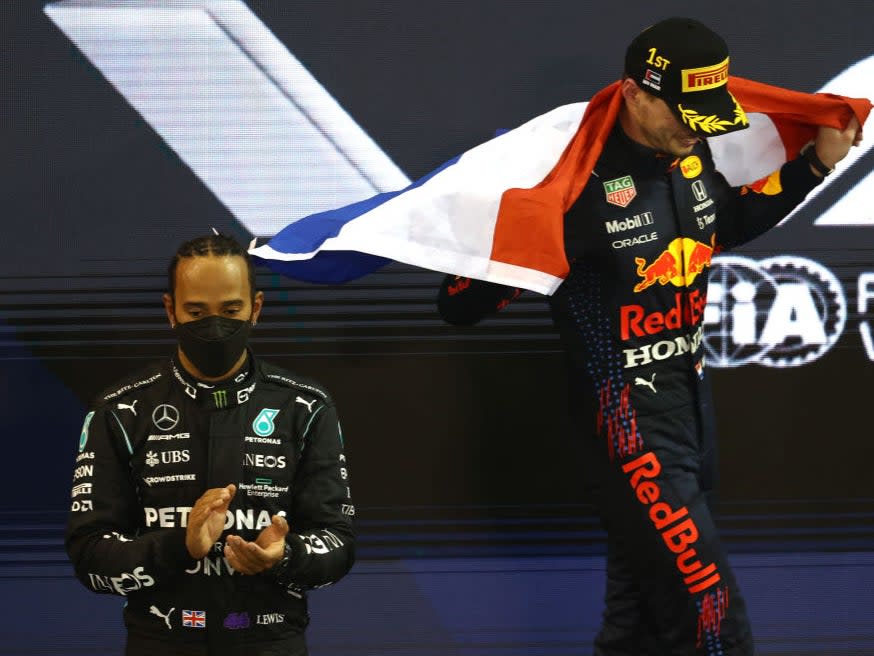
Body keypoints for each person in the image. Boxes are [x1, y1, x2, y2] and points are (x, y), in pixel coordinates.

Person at [437, 17, 862, 656]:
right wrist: (510, 249)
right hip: (627, 425)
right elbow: (459, 306)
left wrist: (812, 166)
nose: (698, 125)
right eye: (685, 109)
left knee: (635, 621)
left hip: (691, 411)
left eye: (708, 110)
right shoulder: (569, 180)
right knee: (711, 618)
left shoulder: (691, 152)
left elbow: (724, 224)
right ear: (636, 94)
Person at [66, 234, 354, 656]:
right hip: (162, 641)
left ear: (256, 308)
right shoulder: (121, 409)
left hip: (270, 642)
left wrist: (286, 556)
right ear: (171, 311)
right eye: (196, 312)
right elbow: (90, 556)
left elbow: (339, 541)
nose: (214, 326)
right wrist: (179, 546)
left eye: (231, 310)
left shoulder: (305, 406)